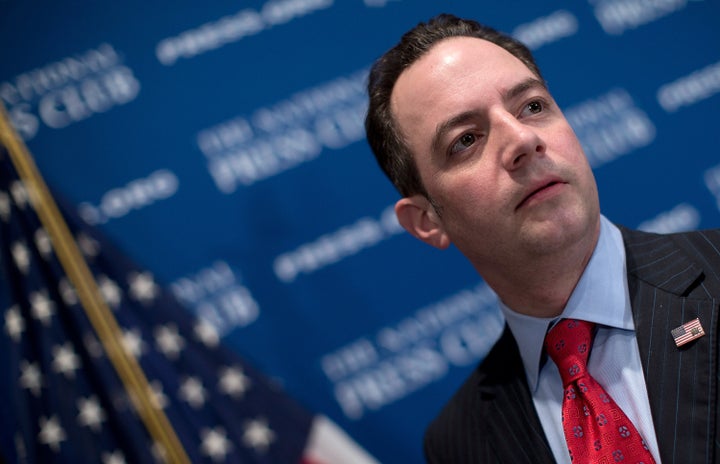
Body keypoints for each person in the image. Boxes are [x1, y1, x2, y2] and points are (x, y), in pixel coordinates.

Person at [364, 13, 720, 464]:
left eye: (532, 106)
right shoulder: (460, 443)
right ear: (427, 221)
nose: (523, 139)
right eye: (466, 139)